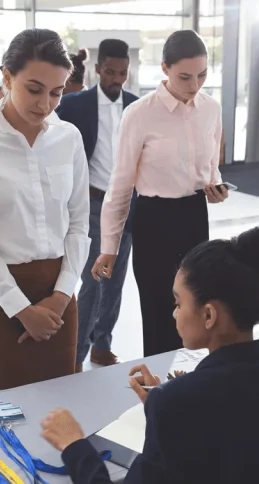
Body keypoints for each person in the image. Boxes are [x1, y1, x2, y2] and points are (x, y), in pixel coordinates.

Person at [41, 226, 259, 484]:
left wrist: (75, 446)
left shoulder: (176, 403)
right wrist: (166, 404)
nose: (174, 313)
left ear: (209, 315)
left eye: (178, 303)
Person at [0, 28, 90, 394]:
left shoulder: (68, 138)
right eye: (34, 89)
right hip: (0, 300)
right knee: (6, 418)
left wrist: (60, 297)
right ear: (7, 77)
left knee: (62, 410)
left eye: (57, 92)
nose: (45, 104)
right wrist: (21, 309)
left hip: (59, 297)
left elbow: (78, 224)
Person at [93, 29, 228, 358]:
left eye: (202, 75)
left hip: (196, 216)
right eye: (184, 76)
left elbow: (211, 165)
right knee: (158, 311)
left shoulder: (211, 108)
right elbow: (121, 185)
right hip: (154, 220)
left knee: (199, 309)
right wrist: (109, 247)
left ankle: (194, 384)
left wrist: (215, 184)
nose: (194, 85)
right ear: (164, 68)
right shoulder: (140, 114)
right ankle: (158, 395)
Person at [56, 39, 138, 371]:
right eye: (110, 72)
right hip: (91, 203)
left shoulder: (136, 106)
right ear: (98, 69)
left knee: (116, 279)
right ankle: (76, 354)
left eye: (122, 72)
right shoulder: (74, 105)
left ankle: (102, 344)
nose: (117, 79)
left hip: (128, 205)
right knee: (93, 280)